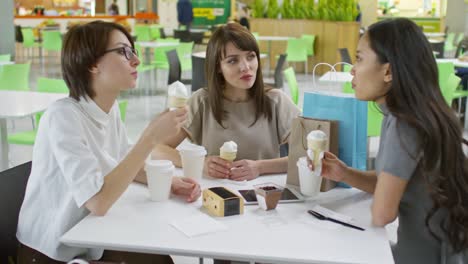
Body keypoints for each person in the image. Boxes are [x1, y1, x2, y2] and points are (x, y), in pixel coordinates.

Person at [16, 21, 201, 263]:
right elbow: (98, 202)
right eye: (124, 52)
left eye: (133, 51)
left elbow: (125, 163)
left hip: (90, 237)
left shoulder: (108, 109)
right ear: (92, 63)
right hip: (52, 251)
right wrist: (150, 137)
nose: (136, 60)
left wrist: (170, 181)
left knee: (160, 258)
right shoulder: (62, 117)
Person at [313, 18, 468, 263]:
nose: (352, 69)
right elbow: (392, 181)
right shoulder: (408, 112)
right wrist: (344, 173)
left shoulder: (403, 122)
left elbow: (383, 213)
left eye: (359, 58)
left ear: (388, 71)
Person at [153, 22, 300, 181]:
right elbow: (157, 149)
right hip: (214, 195)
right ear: (218, 67)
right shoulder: (202, 101)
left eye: (250, 56)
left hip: (264, 197)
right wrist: (201, 162)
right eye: (232, 61)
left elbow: (308, 158)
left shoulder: (276, 101)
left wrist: (260, 167)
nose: (245, 67)